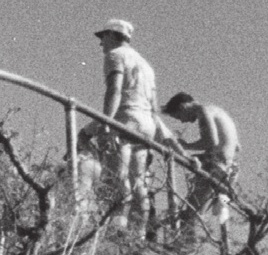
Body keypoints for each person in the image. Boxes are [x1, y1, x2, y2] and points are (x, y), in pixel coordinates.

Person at [92, 18, 158, 233]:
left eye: (103, 37)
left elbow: (114, 90)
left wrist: (106, 123)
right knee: (138, 181)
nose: (101, 43)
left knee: (116, 176)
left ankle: (116, 229)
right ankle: (137, 235)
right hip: (147, 124)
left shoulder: (116, 55)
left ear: (112, 35)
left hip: (126, 119)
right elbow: (154, 106)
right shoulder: (146, 65)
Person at [161, 91, 240, 223]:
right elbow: (237, 146)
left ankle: (184, 242)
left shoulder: (204, 111)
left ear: (183, 107)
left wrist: (185, 146)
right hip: (229, 167)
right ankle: (222, 200)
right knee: (198, 213)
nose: (182, 121)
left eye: (179, 116)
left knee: (191, 213)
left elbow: (211, 141)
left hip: (216, 165)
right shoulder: (218, 111)